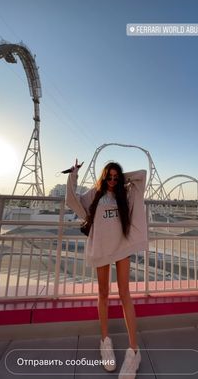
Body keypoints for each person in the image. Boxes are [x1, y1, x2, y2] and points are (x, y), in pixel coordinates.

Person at [66, 160, 148, 379]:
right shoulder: (95, 193)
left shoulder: (126, 193)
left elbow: (142, 172)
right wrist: (73, 176)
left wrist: (121, 176)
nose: (112, 181)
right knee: (103, 294)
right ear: (103, 177)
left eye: (115, 177)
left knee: (125, 295)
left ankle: (134, 350)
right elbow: (72, 200)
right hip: (102, 248)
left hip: (122, 248)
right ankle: (105, 341)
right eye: (109, 177)